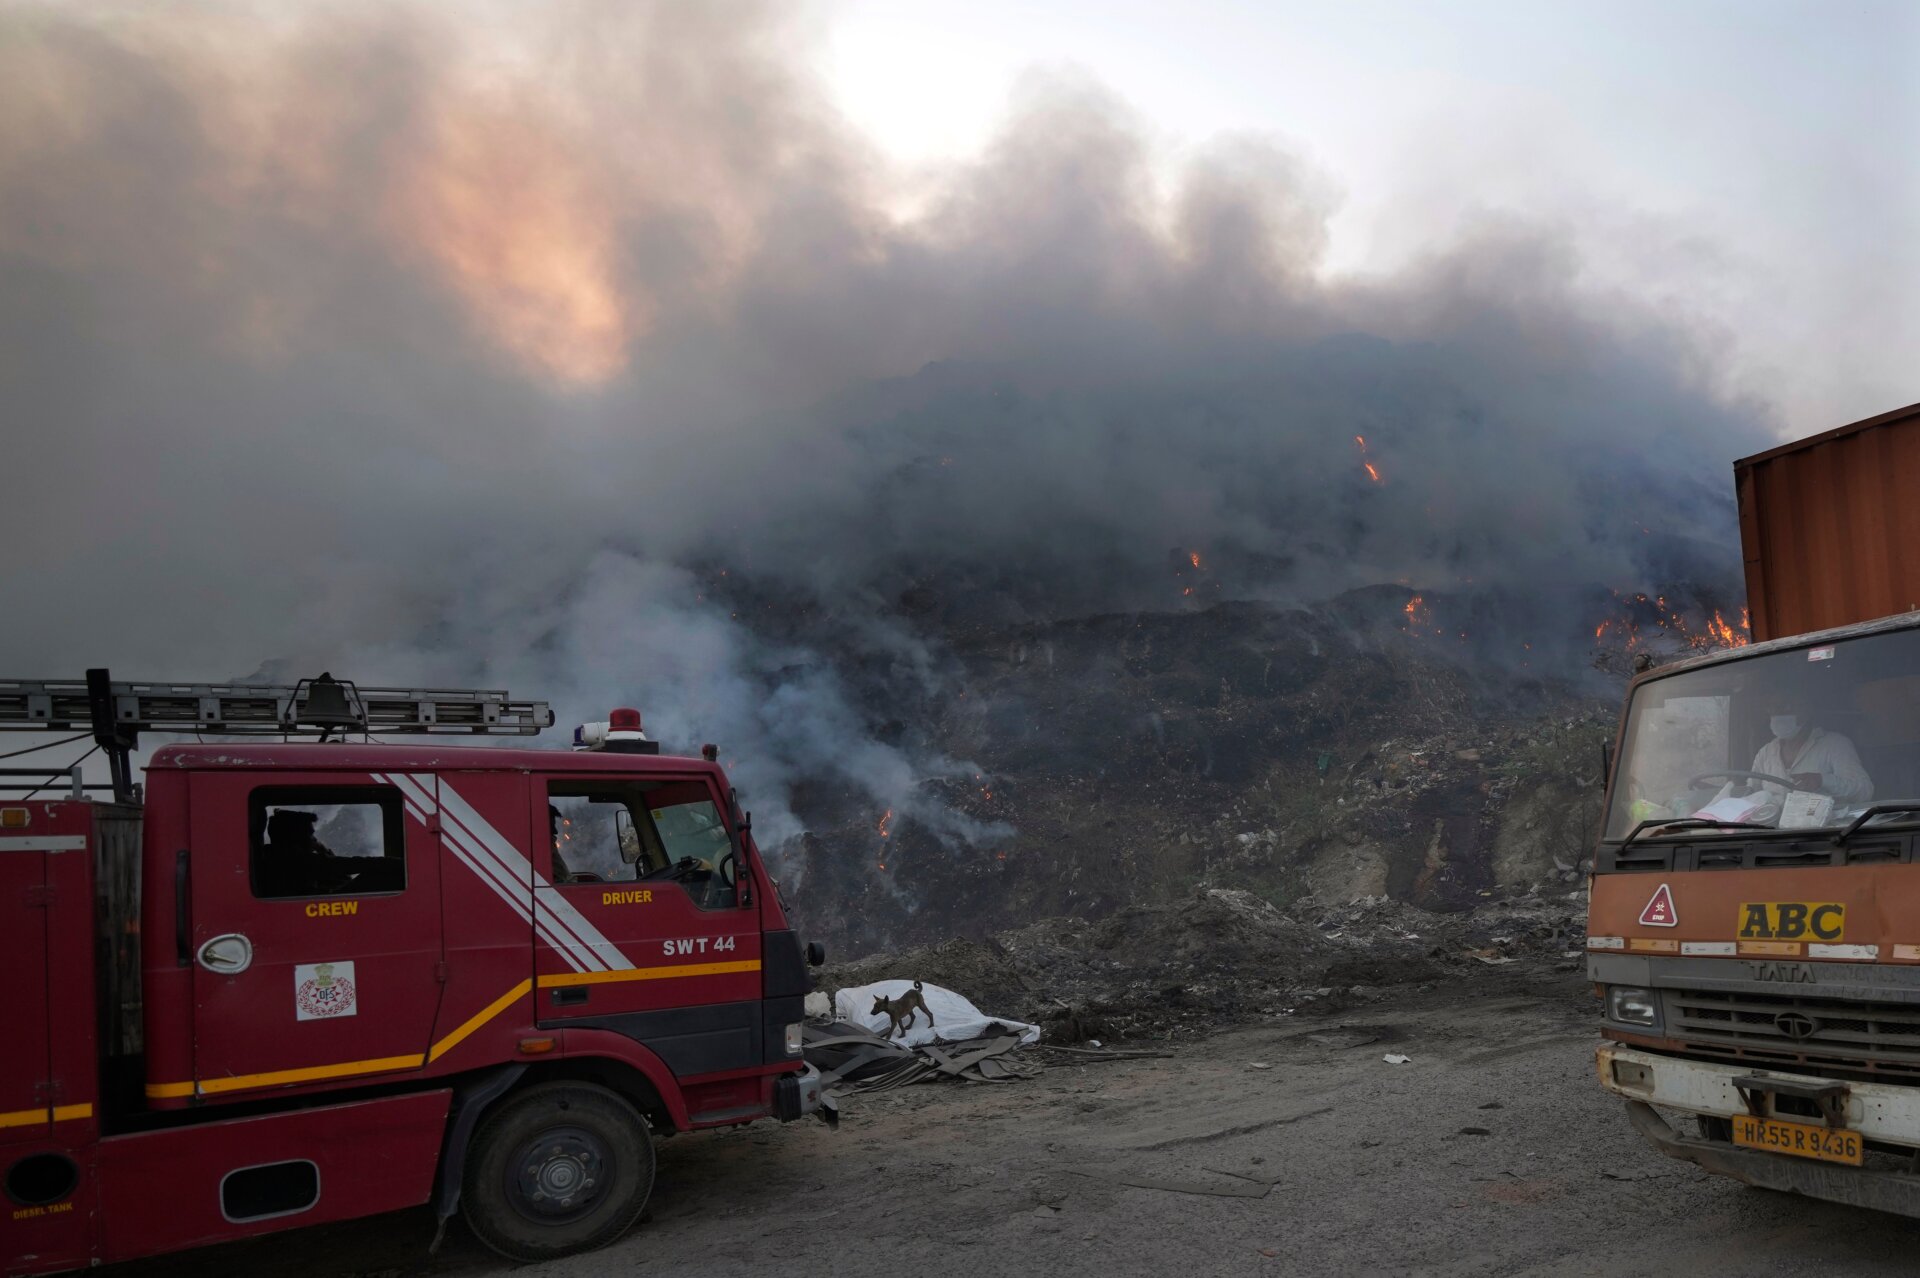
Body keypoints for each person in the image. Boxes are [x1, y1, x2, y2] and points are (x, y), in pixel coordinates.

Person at [1727, 697, 1873, 806]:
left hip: (1825, 835)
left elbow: (1864, 791)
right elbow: (1751, 792)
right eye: (1772, 709)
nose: (1777, 713)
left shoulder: (1835, 744)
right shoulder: (1765, 753)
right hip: (1770, 836)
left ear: (1806, 711)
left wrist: (1822, 780)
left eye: (1786, 707)